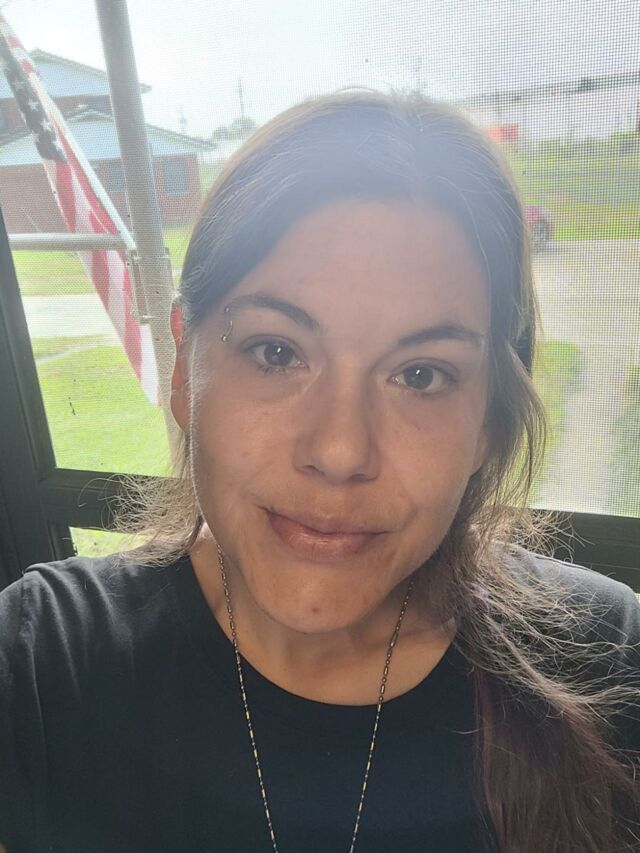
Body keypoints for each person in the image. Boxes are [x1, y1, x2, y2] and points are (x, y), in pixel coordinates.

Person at [0, 90, 638, 853]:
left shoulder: (609, 659)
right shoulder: (43, 664)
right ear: (183, 370)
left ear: (487, 424)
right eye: (276, 351)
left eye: (421, 374)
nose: (339, 451)